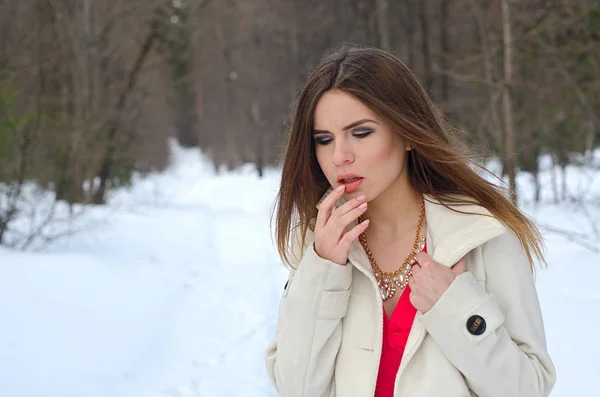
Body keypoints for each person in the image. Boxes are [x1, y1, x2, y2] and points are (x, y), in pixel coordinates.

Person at [265, 44, 555, 397]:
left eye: (361, 132)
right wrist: (323, 270)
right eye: (324, 140)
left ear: (405, 133)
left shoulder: (480, 236)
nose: (340, 156)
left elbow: (529, 389)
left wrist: (456, 310)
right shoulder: (321, 244)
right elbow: (296, 389)